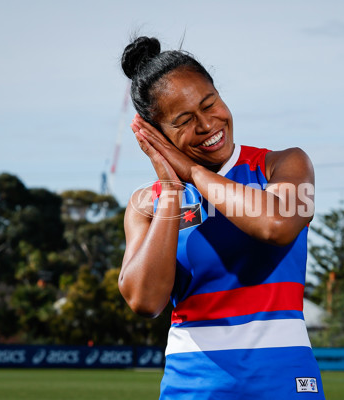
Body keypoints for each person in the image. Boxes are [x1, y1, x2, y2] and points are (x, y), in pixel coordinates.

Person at [118, 36, 325, 399]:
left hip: (285, 380)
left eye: (210, 103)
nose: (207, 124)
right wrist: (171, 191)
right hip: (193, 385)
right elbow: (145, 301)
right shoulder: (144, 205)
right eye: (183, 120)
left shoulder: (282, 164)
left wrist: (193, 173)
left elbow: (276, 225)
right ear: (157, 134)